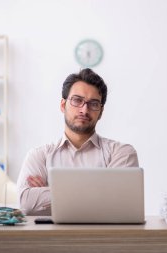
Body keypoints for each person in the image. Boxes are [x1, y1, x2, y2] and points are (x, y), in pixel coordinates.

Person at [17, 68, 139, 215]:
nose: (84, 110)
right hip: (52, 237)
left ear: (101, 111)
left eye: (93, 103)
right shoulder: (39, 156)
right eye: (77, 100)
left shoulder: (121, 153)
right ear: (63, 105)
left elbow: (121, 201)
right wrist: (101, 191)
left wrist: (52, 190)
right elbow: (26, 203)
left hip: (103, 237)